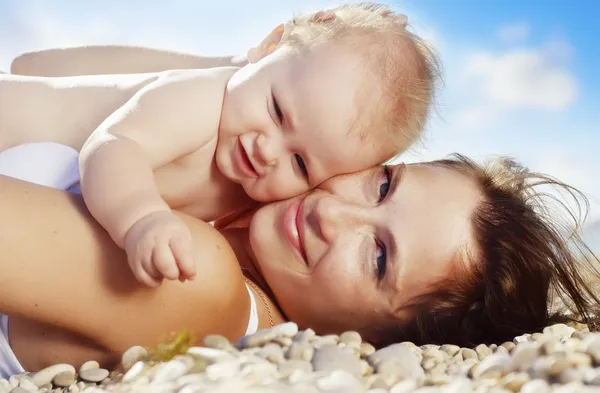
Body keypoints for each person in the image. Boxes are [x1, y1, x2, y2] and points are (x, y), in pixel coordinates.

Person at [1, 146, 599, 378]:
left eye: (379, 257)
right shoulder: (216, 204)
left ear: (371, 338)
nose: (332, 214)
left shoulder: (198, 278)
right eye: (383, 184)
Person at [0, 3, 440, 287]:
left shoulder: (255, 177)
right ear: (269, 46)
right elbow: (115, 146)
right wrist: (140, 219)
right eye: (277, 111)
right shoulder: (204, 99)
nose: (269, 151)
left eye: (302, 164)